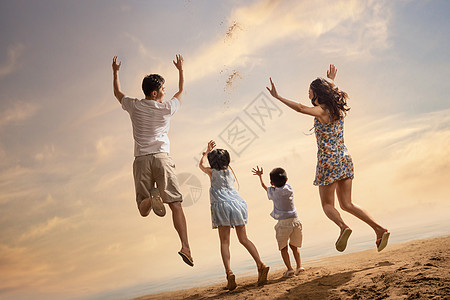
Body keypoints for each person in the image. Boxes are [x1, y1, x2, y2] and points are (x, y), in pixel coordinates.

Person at [266, 65, 390, 252]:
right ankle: (379, 229)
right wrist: (331, 80)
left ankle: (343, 227)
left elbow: (300, 108)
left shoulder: (322, 111)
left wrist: (278, 97)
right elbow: (330, 94)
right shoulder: (337, 109)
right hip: (344, 158)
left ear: (317, 94)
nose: (308, 95)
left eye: (310, 92)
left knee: (327, 205)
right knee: (347, 203)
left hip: (328, 161)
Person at [112, 55, 193, 266]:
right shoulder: (166, 108)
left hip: (141, 160)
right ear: (155, 92)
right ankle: (185, 246)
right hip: (162, 158)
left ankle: (150, 197)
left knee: (143, 209)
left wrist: (115, 72)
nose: (165, 91)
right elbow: (181, 92)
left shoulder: (134, 106)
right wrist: (181, 70)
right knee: (175, 203)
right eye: (163, 89)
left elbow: (117, 93)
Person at [199, 140, 269, 290]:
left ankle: (229, 272)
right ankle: (261, 264)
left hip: (222, 207)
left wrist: (206, 152)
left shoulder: (211, 172)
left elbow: (201, 165)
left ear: (213, 162)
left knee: (225, 242)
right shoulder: (230, 172)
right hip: (238, 204)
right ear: (227, 160)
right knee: (244, 239)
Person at [252, 166, 305, 278]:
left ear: (272, 183)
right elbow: (281, 184)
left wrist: (260, 176)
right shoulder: (289, 189)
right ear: (286, 180)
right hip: (295, 220)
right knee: (294, 246)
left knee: (283, 247)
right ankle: (299, 267)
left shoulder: (273, 192)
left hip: (283, 224)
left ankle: (290, 269)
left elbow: (264, 186)